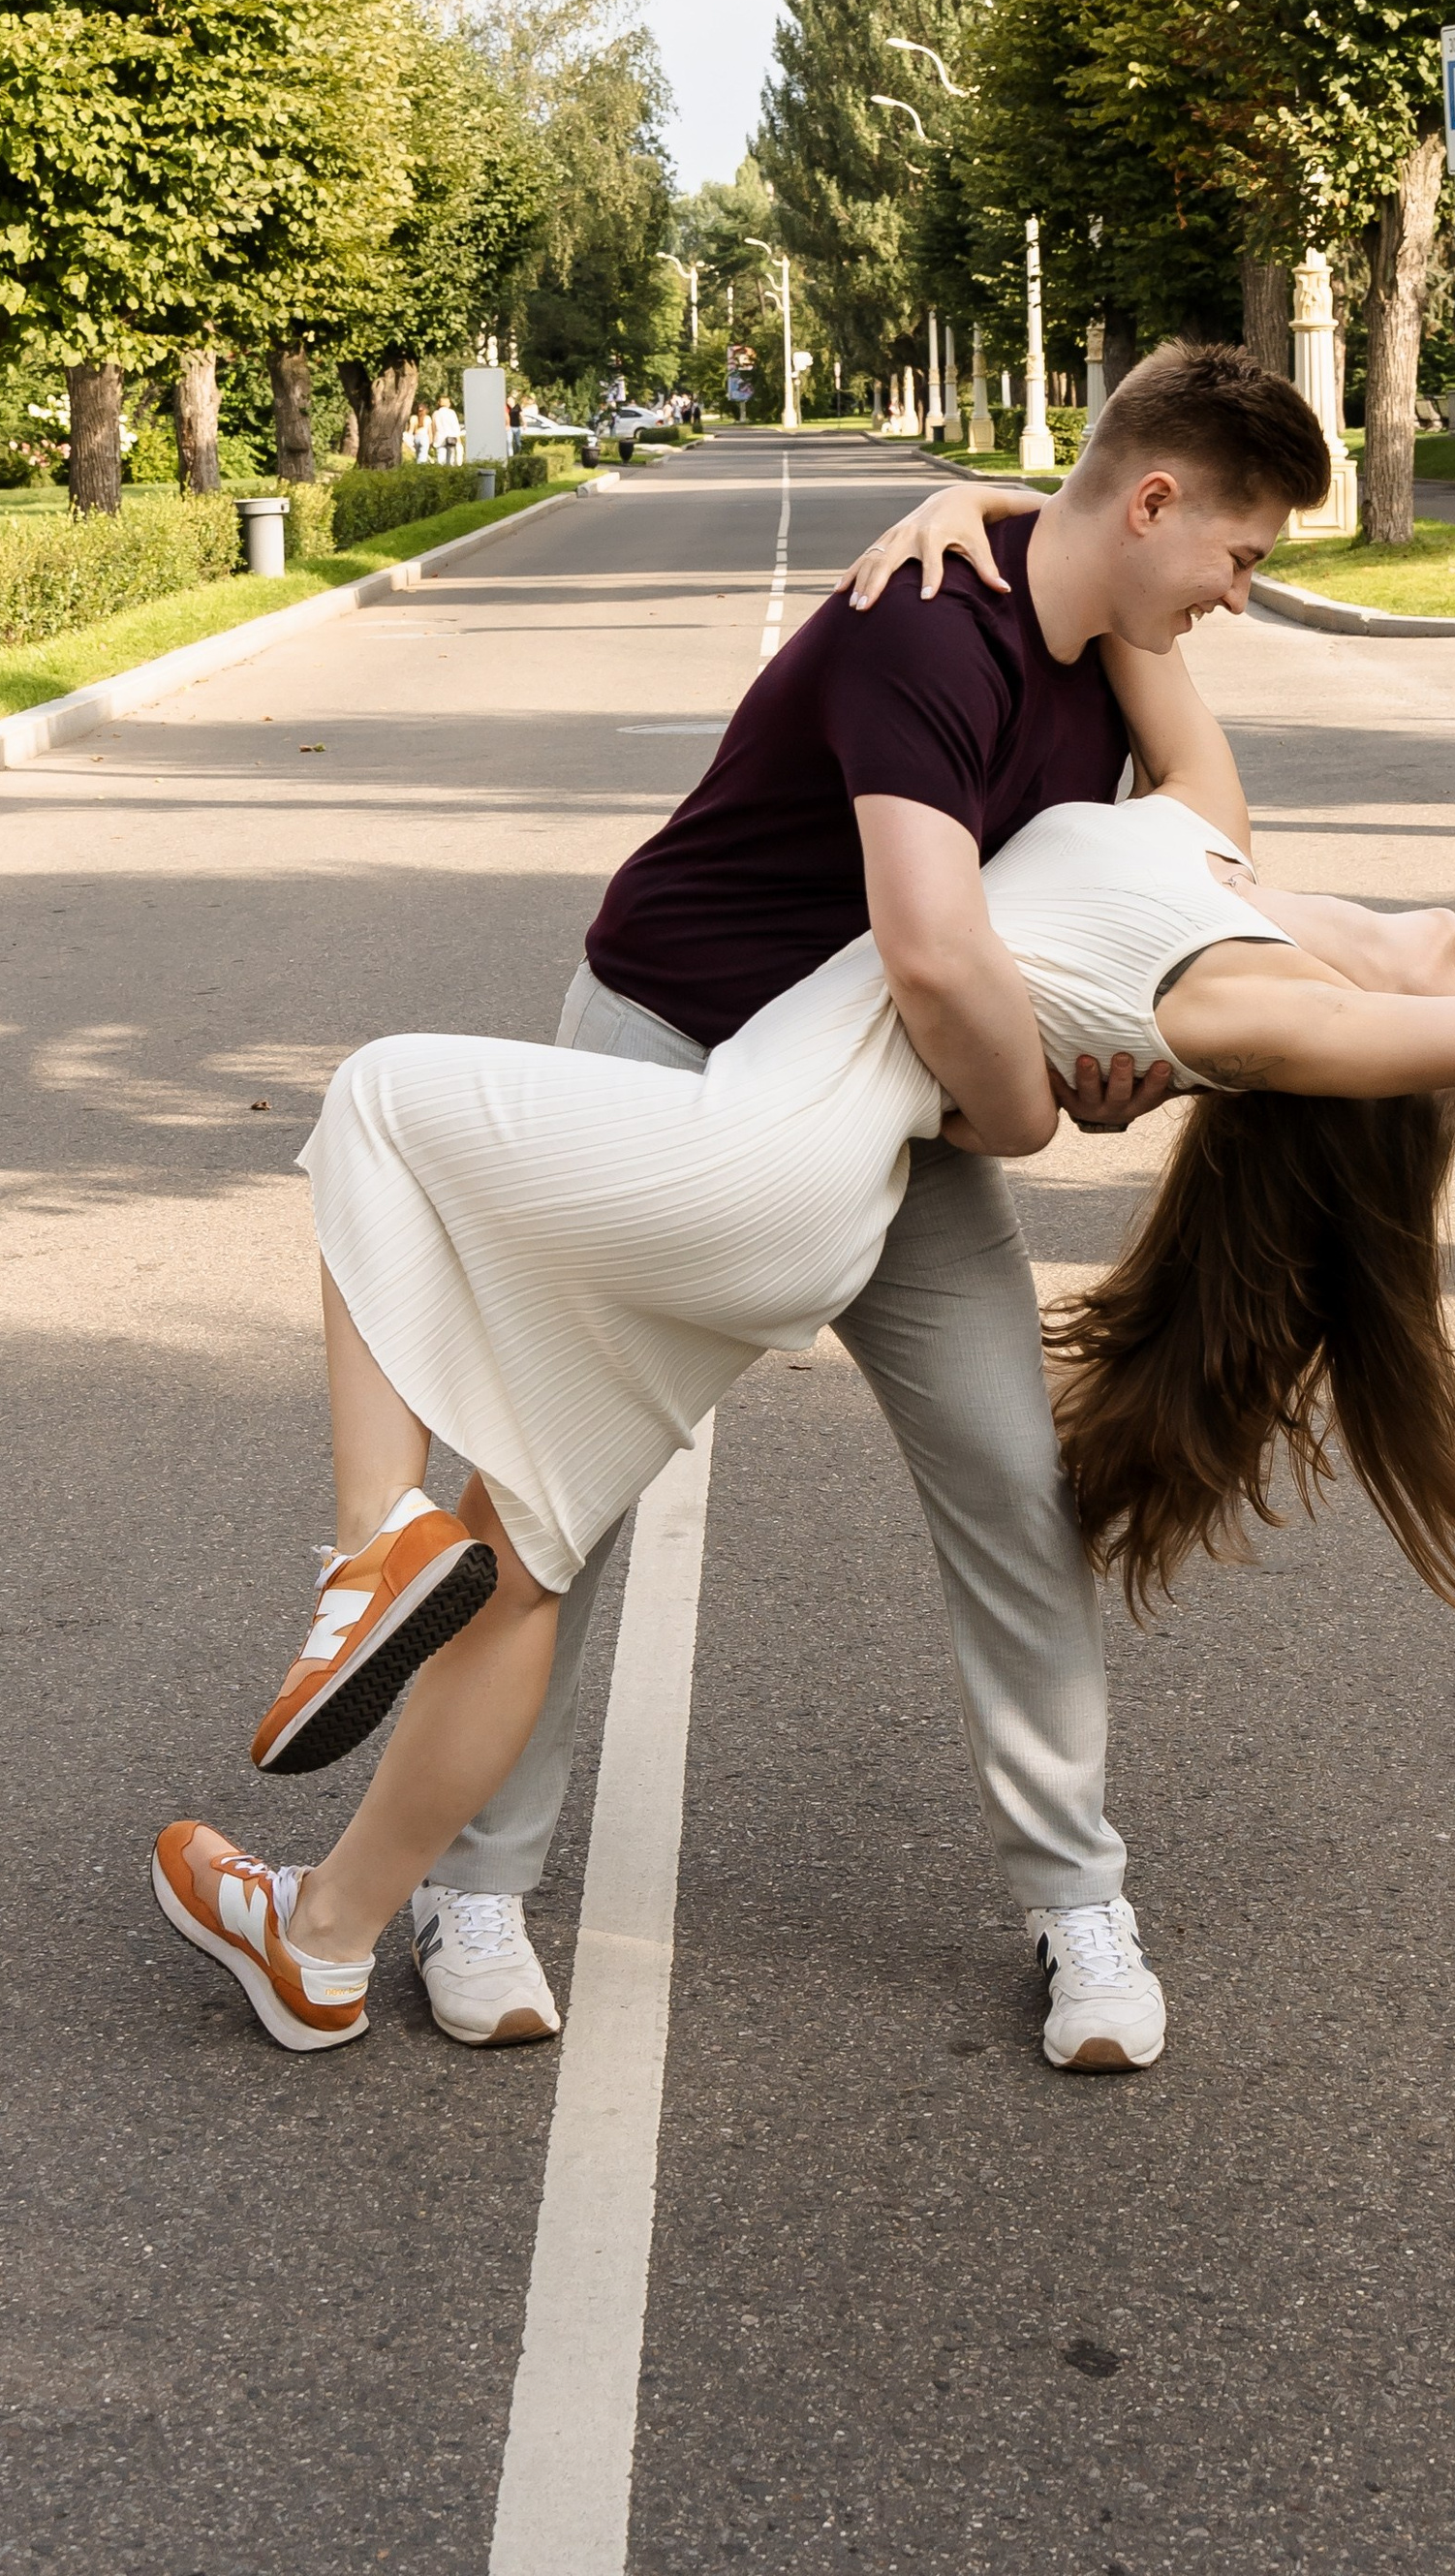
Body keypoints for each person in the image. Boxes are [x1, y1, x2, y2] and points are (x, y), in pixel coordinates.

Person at [151, 668, 1455, 2061]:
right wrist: (966, 490)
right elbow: (1147, 548)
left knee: (397, 1131)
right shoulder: (1215, 844)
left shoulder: (1275, 1015)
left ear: (1415, 1035)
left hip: (794, 1158)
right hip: (798, 1121)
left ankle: (1070, 1904)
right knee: (546, 1527)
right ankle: (405, 1913)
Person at [155, 343, 1331, 2065]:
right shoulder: (923, 625)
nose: (1245, 597)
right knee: (562, 1503)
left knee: (1011, 1476)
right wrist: (1031, 1113)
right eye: (1240, 558)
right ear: (1154, 503)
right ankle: (469, 1890)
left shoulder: (1102, 649)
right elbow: (937, 952)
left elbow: (1214, 851)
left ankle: (1080, 1903)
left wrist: (1019, 508)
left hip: (886, 1106)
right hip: (680, 1054)